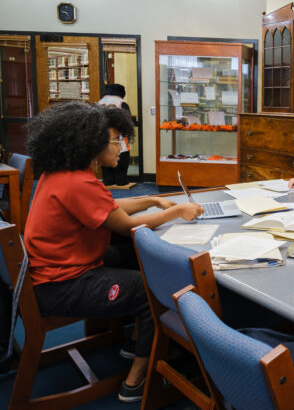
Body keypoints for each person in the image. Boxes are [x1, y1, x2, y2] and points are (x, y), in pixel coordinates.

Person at [23, 101, 202, 403]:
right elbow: (125, 225)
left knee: (136, 257)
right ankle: (135, 380)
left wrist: (153, 202)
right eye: (116, 139)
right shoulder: (79, 182)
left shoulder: (64, 174)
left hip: (54, 273)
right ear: (92, 142)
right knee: (152, 289)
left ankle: (135, 342)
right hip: (62, 286)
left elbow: (107, 208)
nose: (122, 146)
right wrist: (177, 211)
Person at [98, 84, 132, 186]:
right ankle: (121, 180)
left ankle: (108, 180)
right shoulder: (122, 103)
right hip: (119, 137)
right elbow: (128, 121)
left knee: (104, 157)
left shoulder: (99, 103)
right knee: (122, 158)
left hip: (103, 137)